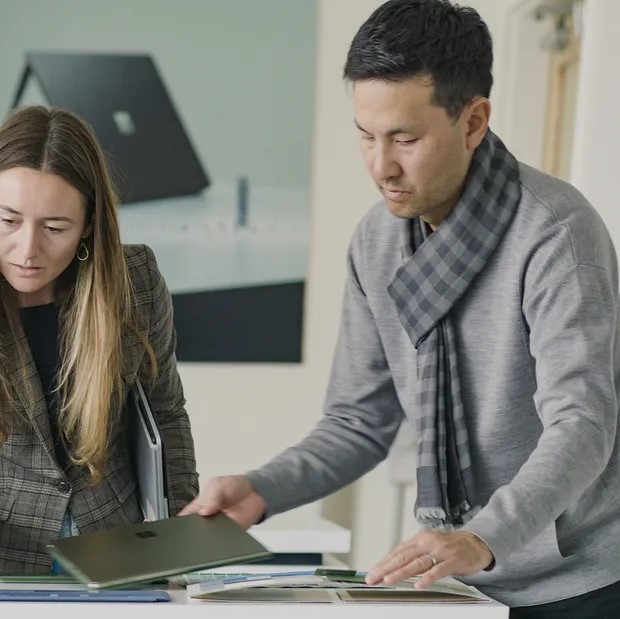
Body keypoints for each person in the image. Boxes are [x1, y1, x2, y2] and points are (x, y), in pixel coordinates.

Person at [183, 1, 620, 615]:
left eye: (405, 140)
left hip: (577, 583)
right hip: (458, 583)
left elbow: (583, 423)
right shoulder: (376, 240)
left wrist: (481, 536)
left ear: (474, 122)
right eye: (366, 136)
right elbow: (359, 421)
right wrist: (261, 489)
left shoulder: (556, 232)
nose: (381, 166)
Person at [0, 105, 198, 573]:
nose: (28, 250)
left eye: (56, 228)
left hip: (119, 549)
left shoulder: (137, 281)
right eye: (8, 221)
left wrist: (182, 542)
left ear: (90, 225)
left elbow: (166, 417)